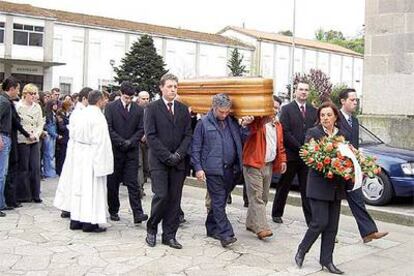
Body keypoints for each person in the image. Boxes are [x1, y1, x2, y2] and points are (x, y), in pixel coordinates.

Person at [295, 101, 346, 275]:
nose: (325, 118)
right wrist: (329, 162)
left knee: (332, 226)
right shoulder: (313, 133)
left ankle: (327, 260)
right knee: (319, 222)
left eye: (328, 115)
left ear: (335, 117)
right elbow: (309, 156)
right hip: (318, 185)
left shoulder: (342, 134)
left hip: (336, 186)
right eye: (322, 115)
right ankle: (302, 249)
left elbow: (348, 156)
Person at [144, 73, 192, 249]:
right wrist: (167, 156)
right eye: (170, 86)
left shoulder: (182, 109)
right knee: (162, 196)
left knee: (174, 200)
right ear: (161, 87)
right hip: (159, 162)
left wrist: (178, 155)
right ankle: (152, 228)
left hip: (178, 163)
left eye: (175, 87)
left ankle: (169, 235)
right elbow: (151, 136)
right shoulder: (152, 108)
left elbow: (188, 135)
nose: (173, 89)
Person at [191, 93, 245, 247]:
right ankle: (226, 234)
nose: (224, 114)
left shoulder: (232, 122)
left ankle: (211, 227)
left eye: (227, 111)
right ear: (214, 108)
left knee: (218, 201)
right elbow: (195, 147)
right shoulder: (203, 123)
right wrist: (198, 168)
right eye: (221, 111)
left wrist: (245, 127)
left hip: (231, 170)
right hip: (213, 170)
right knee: (219, 201)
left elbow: (241, 140)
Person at [338, 88, 388, 243]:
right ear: (343, 101)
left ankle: (368, 232)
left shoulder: (355, 120)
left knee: (357, 199)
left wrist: (359, 163)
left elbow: (355, 145)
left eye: (356, 100)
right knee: (331, 203)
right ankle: (327, 233)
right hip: (338, 167)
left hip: (352, 168)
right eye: (352, 100)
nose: (355, 102)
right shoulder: (336, 118)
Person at [272, 82, 317, 225]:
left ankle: (310, 219)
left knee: (306, 188)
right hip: (291, 155)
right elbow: (285, 131)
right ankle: (277, 213)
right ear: (295, 92)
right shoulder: (286, 109)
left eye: (306, 90)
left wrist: (309, 148)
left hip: (306, 157)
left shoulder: (313, 110)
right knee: (284, 185)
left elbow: (314, 131)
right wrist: (300, 147)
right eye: (301, 90)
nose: (303, 92)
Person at [242, 95, 287, 240]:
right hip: (253, 164)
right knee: (256, 197)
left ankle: (251, 223)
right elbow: (250, 128)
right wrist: (261, 119)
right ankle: (261, 228)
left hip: (268, 165)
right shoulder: (256, 121)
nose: (274, 110)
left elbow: (280, 145)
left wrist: (283, 161)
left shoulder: (278, 125)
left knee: (263, 197)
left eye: (277, 108)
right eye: (272, 107)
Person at [69, 90, 113, 232]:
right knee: (92, 190)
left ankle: (76, 219)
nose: (105, 102)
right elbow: (102, 142)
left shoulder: (81, 113)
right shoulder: (98, 117)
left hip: (80, 154)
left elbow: (73, 133)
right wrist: (103, 163)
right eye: (104, 100)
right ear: (99, 101)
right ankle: (90, 222)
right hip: (93, 156)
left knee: (79, 189)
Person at [105, 81, 148, 223]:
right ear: (121, 94)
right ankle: (113, 210)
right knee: (113, 183)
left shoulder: (138, 109)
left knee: (133, 183)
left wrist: (131, 141)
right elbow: (109, 128)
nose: (128, 100)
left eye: (131, 98)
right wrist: (120, 141)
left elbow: (141, 129)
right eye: (126, 97)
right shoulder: (111, 107)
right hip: (115, 151)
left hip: (131, 152)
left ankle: (138, 213)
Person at [54, 87, 93, 218]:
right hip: (76, 149)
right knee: (71, 178)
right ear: (84, 98)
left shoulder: (84, 111)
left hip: (78, 149)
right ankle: (68, 206)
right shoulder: (79, 112)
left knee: (73, 178)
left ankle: (70, 206)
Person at [15, 84, 44, 203]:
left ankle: (35, 194)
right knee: (24, 168)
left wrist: (36, 134)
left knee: (35, 167)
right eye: (31, 94)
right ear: (25, 94)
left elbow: (40, 123)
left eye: (35, 94)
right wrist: (27, 135)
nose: (34, 96)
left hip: (34, 140)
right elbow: (18, 124)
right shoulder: (18, 106)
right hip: (23, 139)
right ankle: (24, 195)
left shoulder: (37, 107)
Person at [0, 77, 21, 216]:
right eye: (18, 89)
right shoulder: (4, 102)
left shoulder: (5, 101)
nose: (18, 91)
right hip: (3, 137)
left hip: (6, 137)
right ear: (11, 88)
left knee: (3, 173)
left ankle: (2, 203)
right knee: (1, 174)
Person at [136, 91, 151, 198]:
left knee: (147, 165)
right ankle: (139, 188)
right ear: (138, 99)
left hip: (149, 142)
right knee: (139, 165)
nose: (146, 101)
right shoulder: (135, 110)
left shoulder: (152, 110)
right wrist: (140, 135)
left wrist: (147, 134)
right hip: (137, 142)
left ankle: (142, 184)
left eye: (147, 99)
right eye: (143, 99)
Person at [55, 100, 73, 175]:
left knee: (65, 155)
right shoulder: (60, 114)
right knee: (61, 155)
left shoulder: (68, 114)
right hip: (62, 138)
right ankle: (59, 170)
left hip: (66, 137)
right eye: (70, 105)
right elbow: (61, 126)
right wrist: (68, 126)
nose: (72, 107)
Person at [42, 99, 58, 178]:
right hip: (49, 136)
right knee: (48, 154)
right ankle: (48, 171)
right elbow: (49, 126)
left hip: (51, 135)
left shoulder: (53, 113)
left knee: (50, 154)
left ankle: (49, 171)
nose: (56, 106)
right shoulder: (48, 114)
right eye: (54, 104)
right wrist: (55, 135)